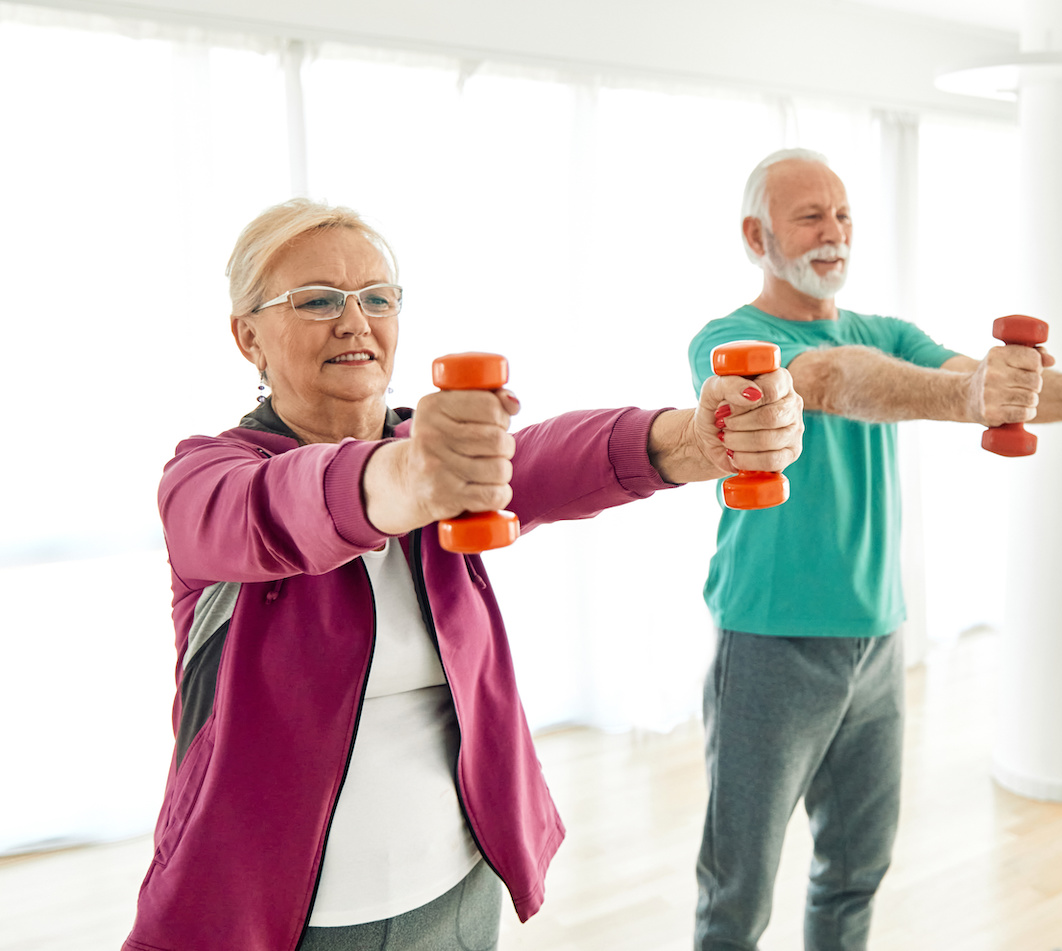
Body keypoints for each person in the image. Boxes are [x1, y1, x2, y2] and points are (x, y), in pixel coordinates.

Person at [123, 197, 803, 951]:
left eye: (377, 297)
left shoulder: (444, 455)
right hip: (276, 922)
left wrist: (694, 438)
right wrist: (408, 476)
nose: (355, 321)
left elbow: (546, 455)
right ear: (246, 334)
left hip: (457, 889)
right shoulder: (205, 476)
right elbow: (277, 507)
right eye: (316, 300)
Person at [687, 148, 1062, 951]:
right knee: (737, 890)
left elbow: (987, 382)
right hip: (769, 640)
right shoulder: (733, 339)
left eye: (844, 214)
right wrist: (967, 395)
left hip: (878, 642)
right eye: (811, 215)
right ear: (756, 234)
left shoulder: (887, 331)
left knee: (854, 872)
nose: (835, 233)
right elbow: (831, 380)